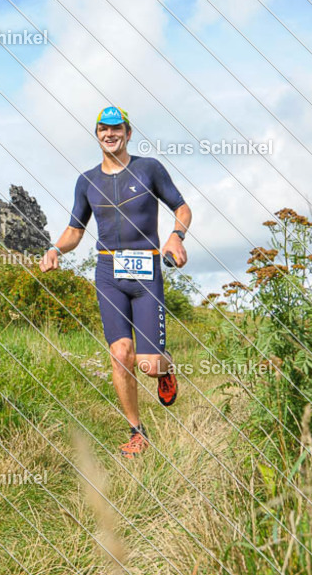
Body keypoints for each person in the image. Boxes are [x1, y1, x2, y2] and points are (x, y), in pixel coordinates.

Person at [40, 106, 192, 458]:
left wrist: (176, 237)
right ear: (97, 135)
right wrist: (55, 249)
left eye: (116, 128)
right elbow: (75, 231)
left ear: (128, 132)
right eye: (103, 130)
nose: (110, 135)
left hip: (147, 272)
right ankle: (137, 432)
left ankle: (164, 368)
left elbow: (182, 209)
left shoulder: (149, 168)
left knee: (149, 364)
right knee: (120, 353)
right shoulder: (87, 181)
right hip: (108, 273)